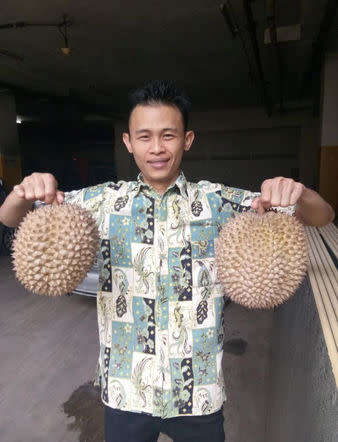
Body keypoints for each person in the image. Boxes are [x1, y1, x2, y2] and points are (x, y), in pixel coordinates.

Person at [0, 80, 334, 442]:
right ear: (128, 142)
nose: (156, 148)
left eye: (168, 135)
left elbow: (323, 216)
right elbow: (9, 217)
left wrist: (298, 192)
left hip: (198, 393)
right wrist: (23, 191)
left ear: (187, 139)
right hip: (127, 388)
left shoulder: (218, 202)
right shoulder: (102, 202)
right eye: (144, 137)